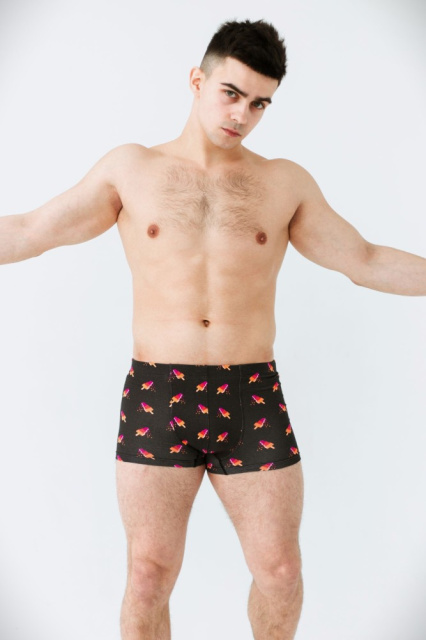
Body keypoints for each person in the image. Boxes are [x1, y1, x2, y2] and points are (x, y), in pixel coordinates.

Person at [1, 17, 425, 640]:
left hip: (251, 393)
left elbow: (364, 260)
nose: (242, 115)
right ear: (197, 80)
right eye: (231, 93)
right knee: (148, 577)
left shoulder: (282, 183)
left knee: (280, 572)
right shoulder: (132, 169)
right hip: (159, 392)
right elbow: (30, 231)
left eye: (259, 103)